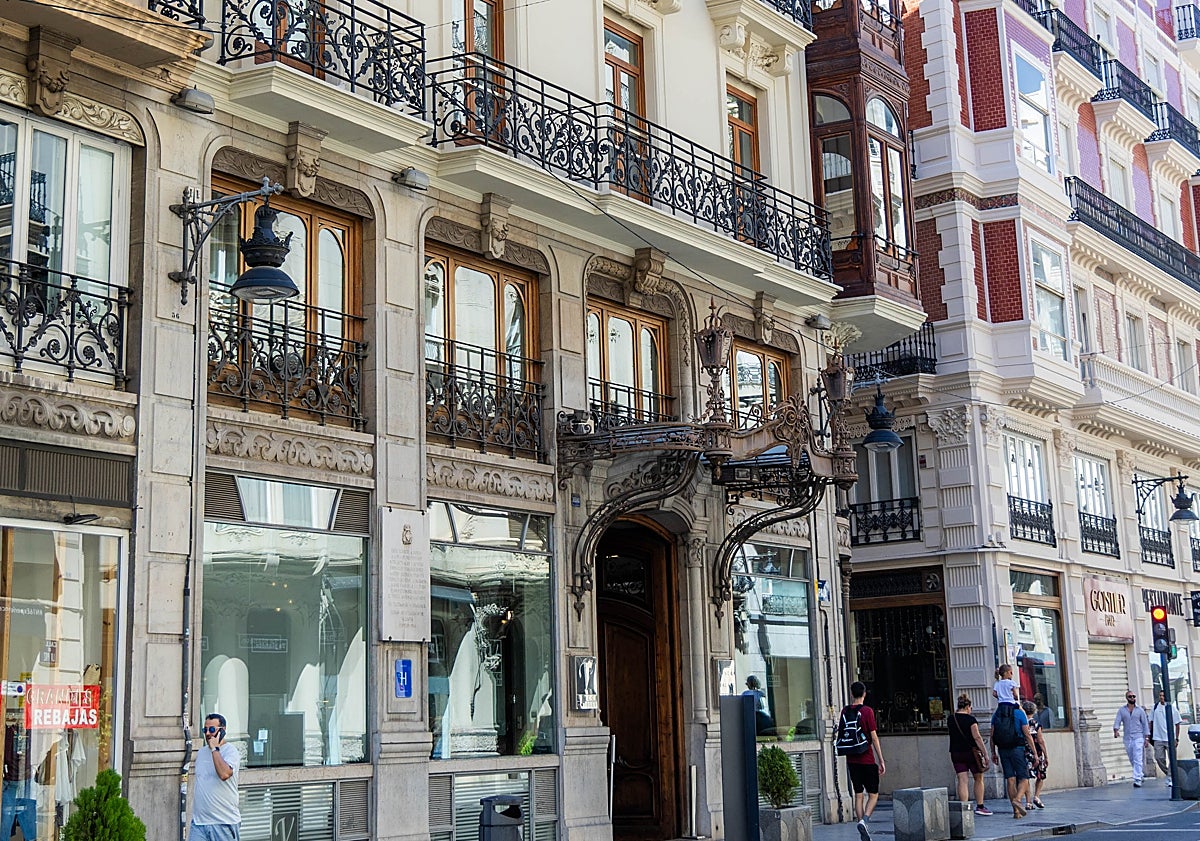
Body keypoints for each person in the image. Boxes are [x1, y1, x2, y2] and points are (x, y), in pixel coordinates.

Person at [842, 681, 885, 841]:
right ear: (864, 694)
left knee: (858, 795)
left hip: (852, 759)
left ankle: (862, 827)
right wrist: (881, 759)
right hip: (867, 758)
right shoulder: (867, 711)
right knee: (873, 795)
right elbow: (873, 737)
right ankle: (864, 821)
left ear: (852, 694)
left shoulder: (845, 711)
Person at [191, 713, 240, 841]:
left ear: (222, 731)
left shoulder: (231, 752)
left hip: (223, 822)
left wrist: (215, 749)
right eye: (205, 730)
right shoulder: (201, 752)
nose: (208, 734)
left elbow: (224, 774)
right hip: (199, 823)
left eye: (212, 730)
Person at [990, 697, 1037, 819]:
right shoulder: (1019, 713)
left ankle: (1015, 812)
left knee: (1010, 779)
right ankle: (1017, 799)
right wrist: (1035, 753)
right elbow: (1027, 734)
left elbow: (992, 735)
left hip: (1002, 749)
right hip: (1017, 749)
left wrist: (993, 752)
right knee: (1024, 778)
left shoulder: (997, 714)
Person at [947, 695, 992, 816]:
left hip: (956, 752)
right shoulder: (971, 720)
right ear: (967, 707)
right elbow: (977, 737)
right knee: (978, 778)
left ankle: (964, 808)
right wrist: (985, 753)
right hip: (971, 753)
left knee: (962, 780)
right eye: (970, 708)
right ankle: (980, 806)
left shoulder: (951, 719)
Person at [1113, 691, 1151, 787]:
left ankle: (1137, 779)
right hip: (1127, 738)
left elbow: (1145, 724)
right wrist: (1116, 730)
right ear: (1127, 698)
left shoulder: (1140, 710)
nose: (1132, 698)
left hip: (1138, 737)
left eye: (1134, 696)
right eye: (1130, 696)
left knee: (1138, 757)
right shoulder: (1122, 710)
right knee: (1132, 758)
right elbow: (1117, 720)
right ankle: (1140, 774)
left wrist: (1146, 737)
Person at [1019, 700, 1048, 809]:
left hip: (1025, 751)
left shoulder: (1021, 723)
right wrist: (1046, 754)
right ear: (1034, 711)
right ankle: (1036, 796)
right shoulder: (1036, 724)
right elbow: (1040, 740)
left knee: (1026, 777)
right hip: (1037, 752)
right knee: (1040, 775)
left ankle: (1028, 802)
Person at [1150, 690, 1181, 786]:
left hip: (1170, 738)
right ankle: (1169, 773)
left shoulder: (1172, 708)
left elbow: (1177, 724)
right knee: (1159, 758)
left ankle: (1170, 777)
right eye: (1160, 695)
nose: (1161, 697)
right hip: (1158, 737)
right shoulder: (1155, 708)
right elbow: (1150, 722)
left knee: (1172, 758)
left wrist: (1176, 738)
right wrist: (1148, 735)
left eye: (1163, 695)